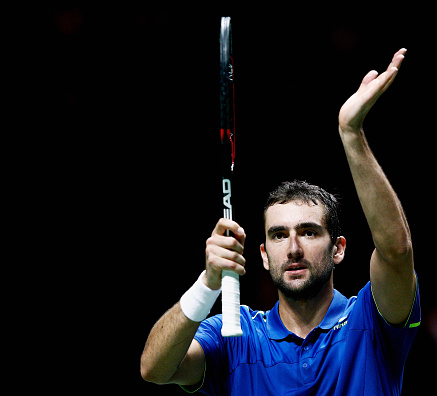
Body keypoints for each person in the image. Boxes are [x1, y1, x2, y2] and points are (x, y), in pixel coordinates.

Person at [141, 48, 420, 395]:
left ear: (338, 249)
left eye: (309, 231)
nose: (293, 248)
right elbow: (155, 369)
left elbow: (396, 251)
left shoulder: (369, 322)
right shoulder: (235, 335)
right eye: (278, 235)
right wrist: (207, 284)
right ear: (262, 254)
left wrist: (351, 133)